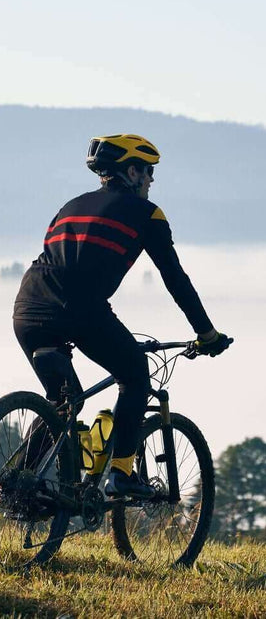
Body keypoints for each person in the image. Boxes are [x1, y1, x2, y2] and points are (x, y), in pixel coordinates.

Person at [13, 134, 231, 497]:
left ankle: (21, 484)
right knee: (134, 375)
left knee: (63, 403)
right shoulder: (148, 214)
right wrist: (206, 333)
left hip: (27, 308)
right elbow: (175, 279)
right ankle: (121, 474)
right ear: (131, 171)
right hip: (79, 310)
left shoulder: (71, 205)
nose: (151, 179)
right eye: (148, 171)